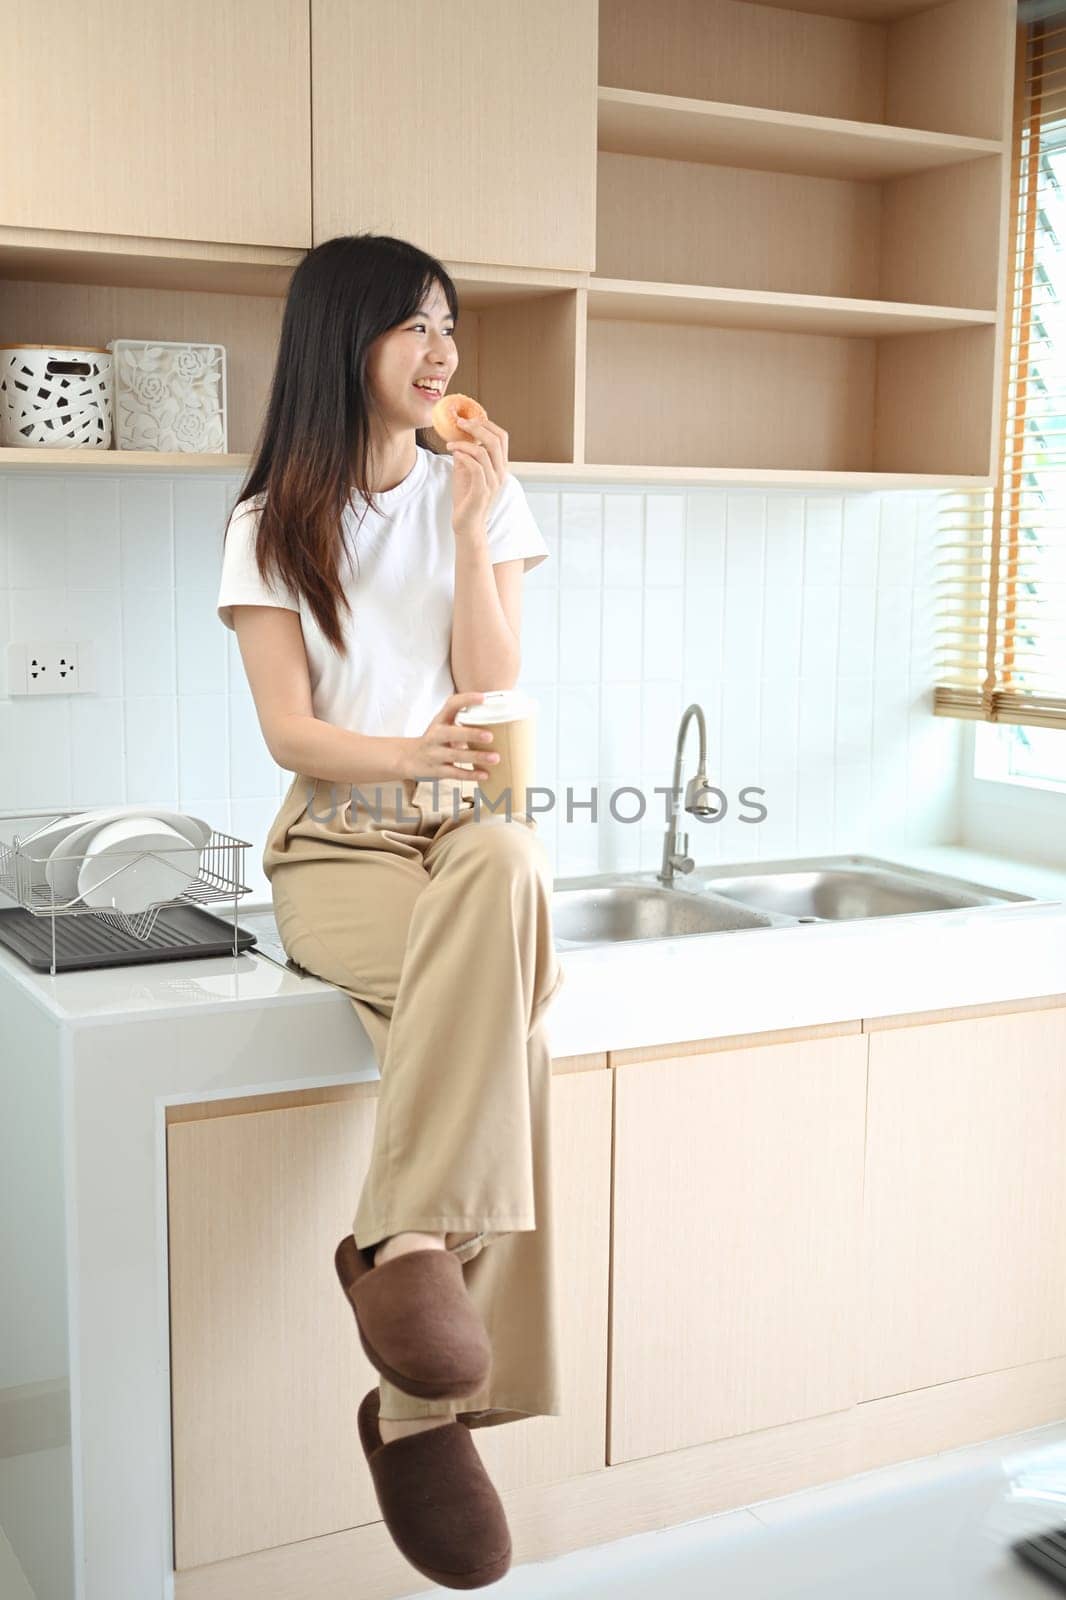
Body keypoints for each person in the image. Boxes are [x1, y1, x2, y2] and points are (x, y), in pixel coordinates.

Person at [215, 232, 566, 1589]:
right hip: (340, 844)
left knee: (509, 866)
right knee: (510, 1037)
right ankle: (423, 1401)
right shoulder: (268, 522)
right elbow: (291, 733)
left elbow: (491, 681)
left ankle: (401, 1245)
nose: (441, 354)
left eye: (449, 329)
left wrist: (471, 530)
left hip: (464, 838)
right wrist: (410, 761)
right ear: (341, 341)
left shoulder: (483, 496)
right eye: (412, 328)